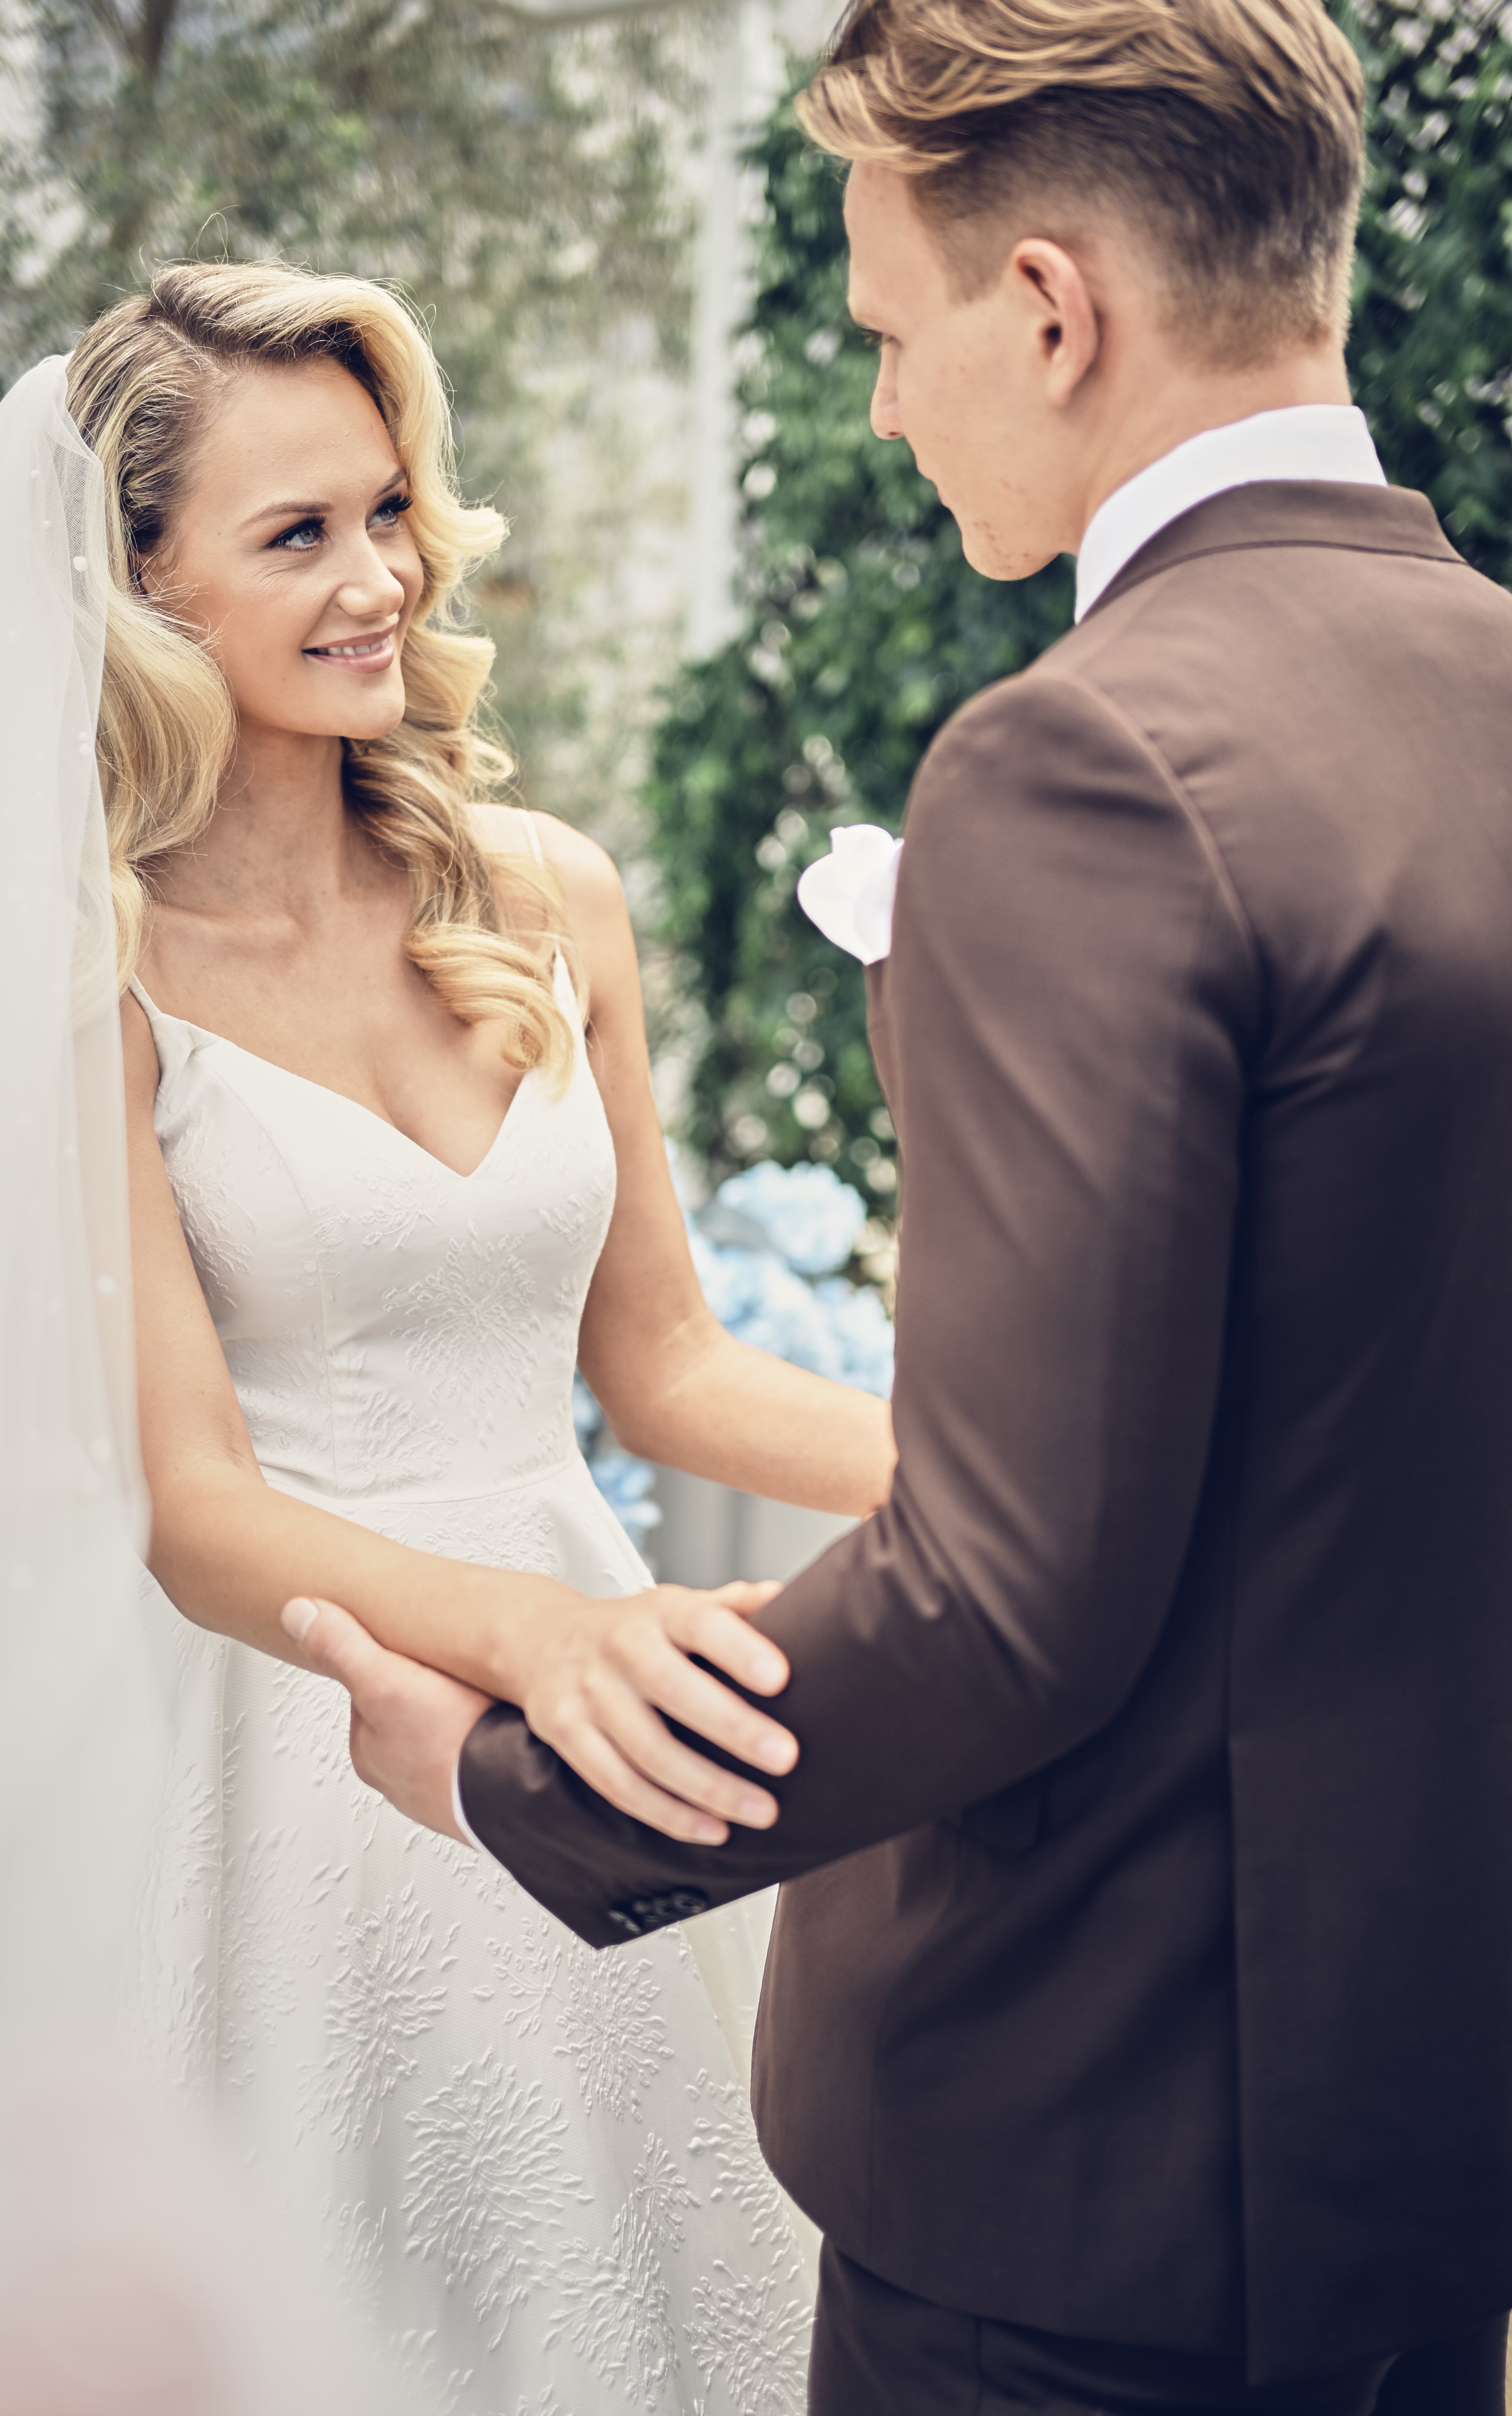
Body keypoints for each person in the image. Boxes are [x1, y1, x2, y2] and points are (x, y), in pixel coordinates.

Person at [294, 0, 1512, 2416]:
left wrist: (501, 1779)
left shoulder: (1076, 759)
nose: (891, 411)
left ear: (1048, 306)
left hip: (1086, 2161)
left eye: (893, 337)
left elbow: (1009, 1602)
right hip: (1439, 2094)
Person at [50, 260, 895, 2413]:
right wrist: (533, 1645)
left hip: (587, 1694)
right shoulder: (87, 967)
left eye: (390, 505)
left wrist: (985, 1476)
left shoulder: (549, 898)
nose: (384, 577)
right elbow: (195, 1509)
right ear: (142, 588)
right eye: (297, 533)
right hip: (299, 1727)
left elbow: (668, 1369)